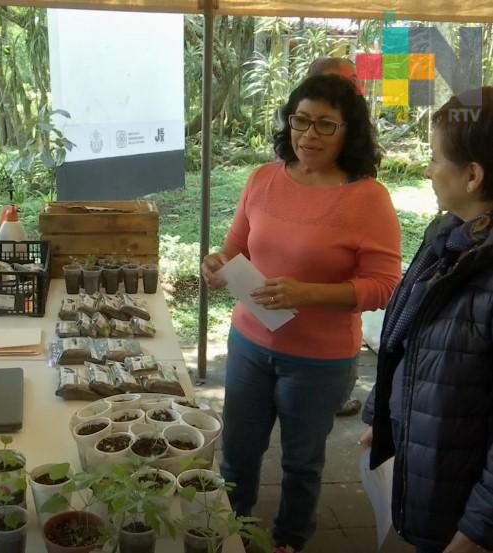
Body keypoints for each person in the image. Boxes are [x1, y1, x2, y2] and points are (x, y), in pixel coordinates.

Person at [201, 74, 402, 553]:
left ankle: (289, 540)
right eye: (301, 120)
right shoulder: (263, 178)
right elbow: (235, 247)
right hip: (249, 342)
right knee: (237, 455)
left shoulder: (368, 198)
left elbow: (385, 287)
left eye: (325, 126)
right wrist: (216, 263)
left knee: (302, 462)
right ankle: (234, 532)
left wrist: (306, 293)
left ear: (349, 132)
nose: (308, 135)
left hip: (319, 360)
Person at [360, 88, 493, 553]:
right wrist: (386, 414)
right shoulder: (449, 235)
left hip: (461, 513)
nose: (427, 169)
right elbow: (406, 333)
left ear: (472, 175)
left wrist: (478, 531)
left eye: (435, 158)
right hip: (428, 472)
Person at [306, 57, 366, 417]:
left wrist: (310, 292)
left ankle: (338, 393)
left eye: (353, 81)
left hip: (330, 342)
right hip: (265, 336)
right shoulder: (271, 176)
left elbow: (381, 283)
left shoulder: (365, 191)